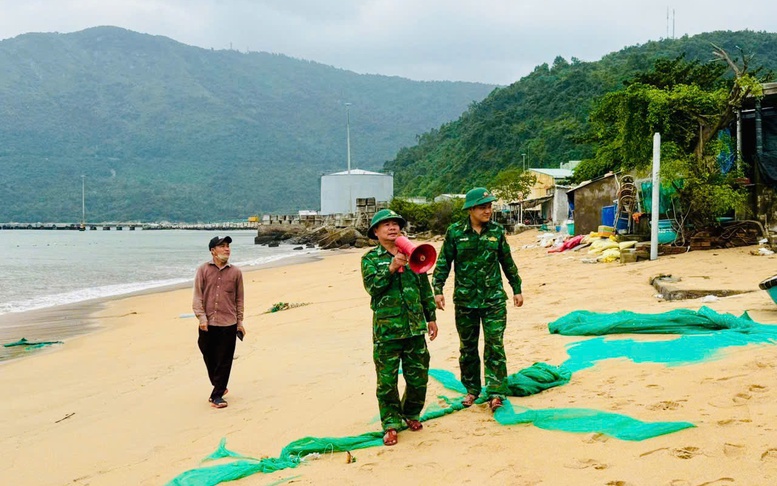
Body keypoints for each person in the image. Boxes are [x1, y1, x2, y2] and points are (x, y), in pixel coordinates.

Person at [432, 187, 524, 412]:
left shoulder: (497, 232)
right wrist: (437, 289)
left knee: (495, 345)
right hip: (465, 301)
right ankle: (472, 389)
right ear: (471, 209)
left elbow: (507, 262)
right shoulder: (455, 233)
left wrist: (516, 288)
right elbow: (444, 262)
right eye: (483, 207)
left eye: (490, 206)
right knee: (468, 348)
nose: (488, 210)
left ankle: (496, 392)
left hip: (493, 300)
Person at [361, 209, 439, 446]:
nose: (392, 228)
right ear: (376, 232)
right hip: (387, 331)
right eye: (386, 225)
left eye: (396, 224)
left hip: (415, 328)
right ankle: (391, 424)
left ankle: (411, 413)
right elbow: (372, 287)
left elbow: (424, 288)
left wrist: (431, 317)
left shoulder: (413, 253)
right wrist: (392, 267)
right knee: (387, 381)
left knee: (418, 377)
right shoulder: (370, 259)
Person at [192, 235, 246, 409]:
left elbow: (239, 299)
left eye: (228, 246)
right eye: (222, 246)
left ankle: (217, 395)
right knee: (208, 354)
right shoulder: (203, 270)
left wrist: (240, 322)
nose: (227, 249)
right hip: (207, 323)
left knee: (225, 360)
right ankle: (220, 385)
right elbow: (197, 296)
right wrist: (201, 317)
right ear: (213, 251)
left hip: (228, 323)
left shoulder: (236, 272)